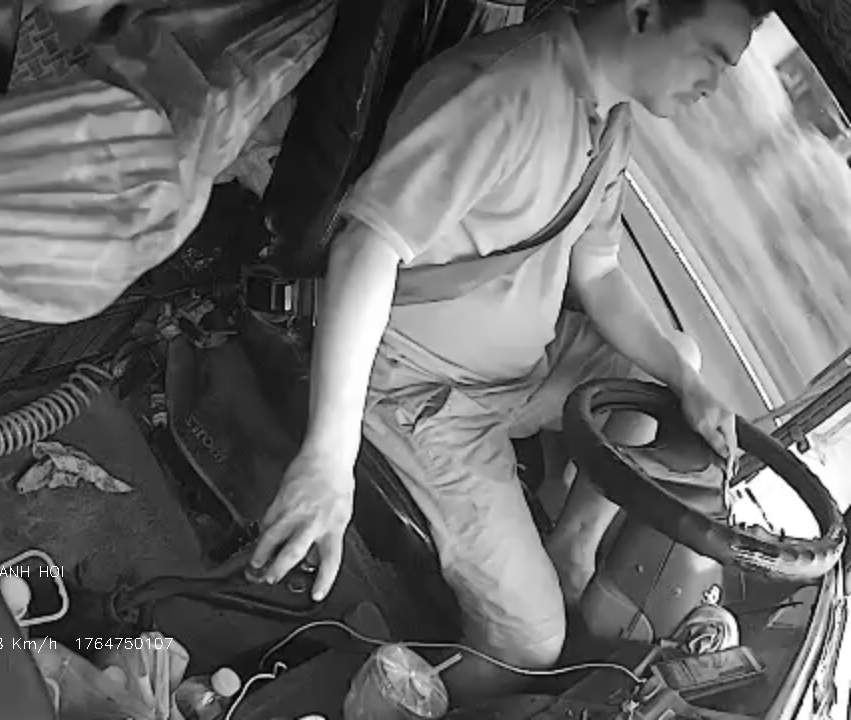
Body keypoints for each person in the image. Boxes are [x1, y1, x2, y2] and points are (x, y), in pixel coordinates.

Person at [248, 0, 768, 701]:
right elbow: (368, 247)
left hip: (522, 372)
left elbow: (598, 272)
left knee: (667, 372)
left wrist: (687, 379)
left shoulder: (610, 123)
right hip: (422, 390)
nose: (715, 85)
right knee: (531, 643)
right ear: (645, 12)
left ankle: (572, 550)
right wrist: (328, 457)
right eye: (713, 56)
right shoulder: (504, 90)